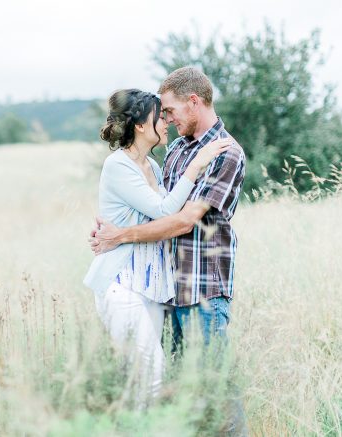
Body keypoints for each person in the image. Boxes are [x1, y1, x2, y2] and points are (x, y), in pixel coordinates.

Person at [90, 67, 247, 434]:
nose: (166, 118)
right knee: (171, 386)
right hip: (165, 291)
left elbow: (182, 221)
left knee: (214, 384)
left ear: (194, 102)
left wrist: (122, 235)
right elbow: (150, 205)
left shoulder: (225, 153)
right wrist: (111, 226)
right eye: (161, 113)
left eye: (170, 110)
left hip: (203, 288)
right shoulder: (175, 150)